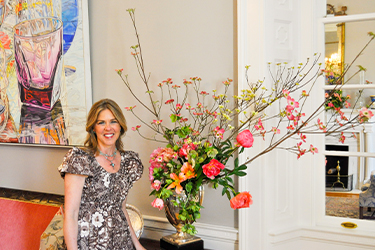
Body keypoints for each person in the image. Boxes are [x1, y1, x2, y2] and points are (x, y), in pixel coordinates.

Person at [58, 98, 146, 250]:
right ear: (93, 128)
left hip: (121, 242)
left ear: (120, 126)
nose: (108, 128)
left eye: (113, 121)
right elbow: (71, 213)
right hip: (89, 242)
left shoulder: (128, 161)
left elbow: (121, 209)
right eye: (101, 123)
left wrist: (137, 246)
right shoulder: (80, 160)